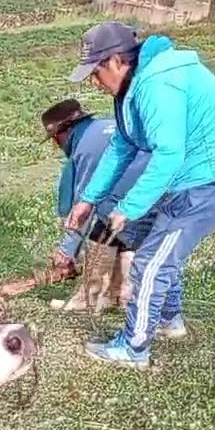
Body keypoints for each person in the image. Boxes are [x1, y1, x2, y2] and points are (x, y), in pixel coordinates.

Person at [55, 21, 215, 369]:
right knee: (154, 246)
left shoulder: (158, 83)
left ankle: (134, 348)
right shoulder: (132, 88)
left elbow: (169, 154)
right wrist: (87, 199)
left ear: (116, 61)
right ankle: (168, 319)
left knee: (149, 262)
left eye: (96, 73)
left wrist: (129, 207)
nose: (93, 83)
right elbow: (122, 146)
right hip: (183, 178)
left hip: (205, 181)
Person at [42, 97, 151, 309]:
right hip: (155, 186)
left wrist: (66, 253)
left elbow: (83, 208)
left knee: (101, 230)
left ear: (63, 133)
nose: (58, 145)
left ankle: (87, 299)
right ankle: (118, 296)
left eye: (56, 139)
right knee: (120, 232)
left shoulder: (86, 147)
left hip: (139, 187)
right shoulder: (103, 127)